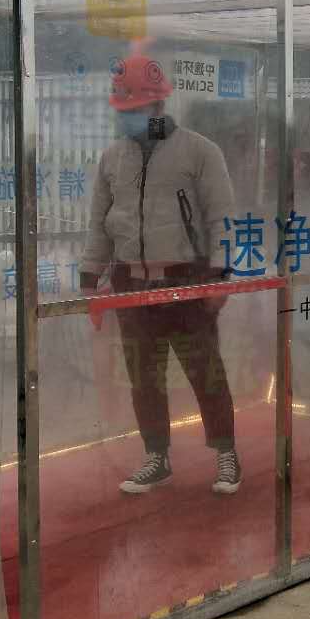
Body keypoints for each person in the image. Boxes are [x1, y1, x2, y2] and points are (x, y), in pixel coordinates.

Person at [79, 50, 242, 496]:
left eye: (134, 108)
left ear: (157, 104)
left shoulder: (199, 152)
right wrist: (90, 279)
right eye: (122, 108)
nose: (127, 117)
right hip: (132, 283)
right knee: (143, 378)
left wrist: (219, 276)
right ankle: (157, 457)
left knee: (205, 371)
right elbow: (99, 225)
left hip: (186, 280)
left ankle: (226, 453)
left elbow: (222, 217)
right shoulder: (112, 159)